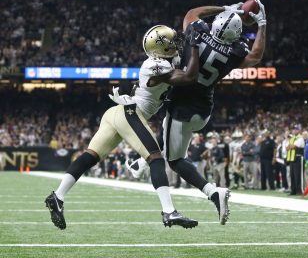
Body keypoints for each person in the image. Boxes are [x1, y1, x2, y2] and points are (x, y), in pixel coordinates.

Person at [45, 25, 200, 230]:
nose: (175, 45)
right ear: (159, 48)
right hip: (129, 112)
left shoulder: (163, 63)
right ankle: (169, 212)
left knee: (90, 156)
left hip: (117, 113)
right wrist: (196, 48)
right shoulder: (155, 65)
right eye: (171, 42)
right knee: (154, 158)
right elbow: (189, 77)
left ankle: (57, 196)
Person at [128, 0, 267, 224]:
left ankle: (213, 192)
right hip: (204, 110)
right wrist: (262, 24)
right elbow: (256, 56)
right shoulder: (236, 51)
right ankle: (140, 163)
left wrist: (226, 8)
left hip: (182, 105)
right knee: (166, 131)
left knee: (174, 160)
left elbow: (193, 12)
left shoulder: (198, 31)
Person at [286, 125, 305, 195]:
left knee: (298, 175)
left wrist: (290, 146)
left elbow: (293, 147)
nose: (294, 130)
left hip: (298, 158)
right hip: (292, 159)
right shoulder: (293, 138)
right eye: (294, 129)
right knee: (292, 175)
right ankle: (293, 190)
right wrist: (290, 146)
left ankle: (299, 190)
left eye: (296, 129)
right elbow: (287, 148)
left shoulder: (300, 138)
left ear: (299, 130)